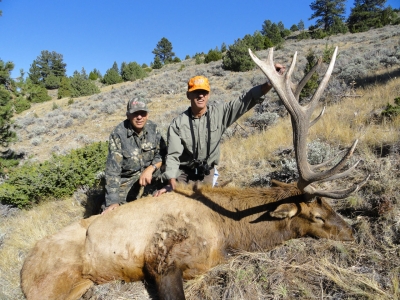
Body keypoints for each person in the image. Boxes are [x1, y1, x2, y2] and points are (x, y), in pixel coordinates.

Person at [154, 64, 285, 196]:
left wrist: (270, 82)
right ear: (189, 95)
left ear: (208, 95)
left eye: (204, 92)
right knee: (176, 201)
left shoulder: (220, 114)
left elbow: (247, 99)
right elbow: (173, 156)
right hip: (183, 172)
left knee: (209, 205)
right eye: (196, 92)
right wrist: (172, 182)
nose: (201, 96)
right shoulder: (177, 124)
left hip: (207, 171)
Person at [102, 98, 166, 214]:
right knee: (114, 215)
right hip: (127, 184)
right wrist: (113, 201)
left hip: (152, 180)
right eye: (135, 113)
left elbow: (162, 154)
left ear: (147, 114)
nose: (139, 117)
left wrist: (150, 169)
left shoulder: (154, 129)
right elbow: (112, 171)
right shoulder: (118, 134)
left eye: (143, 113)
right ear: (128, 115)